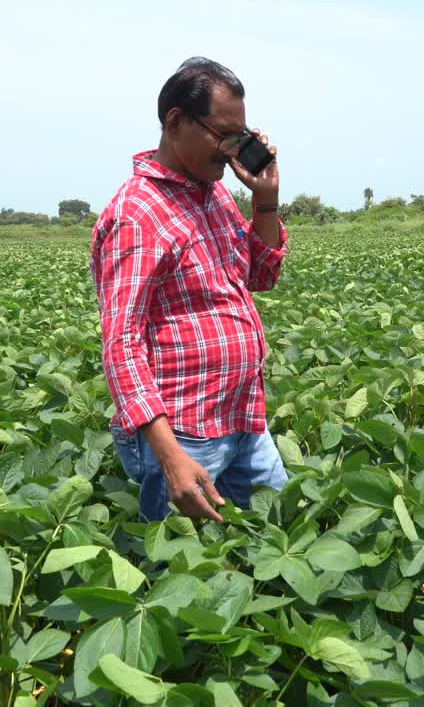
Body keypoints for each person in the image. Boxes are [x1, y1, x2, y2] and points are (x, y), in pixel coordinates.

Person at [89, 57, 289, 523]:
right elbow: (121, 343)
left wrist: (264, 200)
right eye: (222, 134)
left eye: (239, 137)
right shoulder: (138, 214)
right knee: (182, 573)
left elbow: (261, 276)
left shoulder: (214, 193)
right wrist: (170, 456)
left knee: (276, 530)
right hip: (186, 431)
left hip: (243, 417)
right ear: (176, 121)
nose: (230, 149)